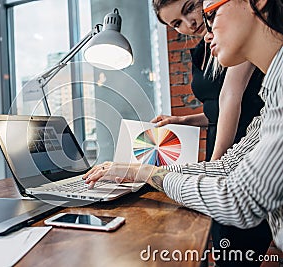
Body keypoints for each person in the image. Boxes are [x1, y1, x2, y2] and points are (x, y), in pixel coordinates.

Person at [83, 0, 283, 261]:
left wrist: (148, 173)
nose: (206, 32)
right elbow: (225, 168)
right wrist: (136, 171)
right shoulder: (271, 98)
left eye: (210, 13)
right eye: (177, 23)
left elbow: (237, 199)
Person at [150, 0, 270, 266]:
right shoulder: (207, 48)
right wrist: (182, 119)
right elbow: (217, 110)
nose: (190, 23)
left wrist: (215, 164)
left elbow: (232, 98)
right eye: (176, 24)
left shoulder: (235, 36)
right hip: (228, 144)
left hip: (242, 144)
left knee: (234, 246)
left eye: (191, 8)